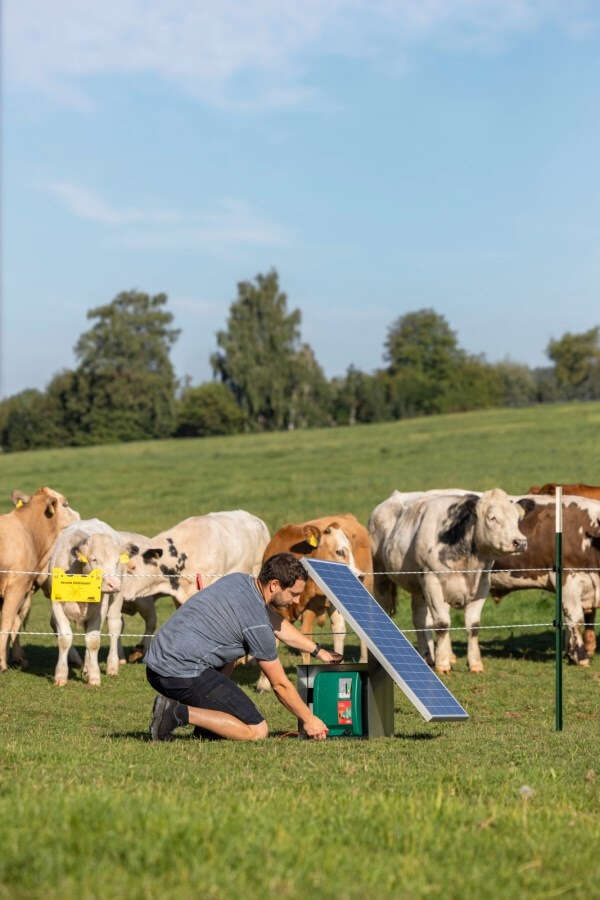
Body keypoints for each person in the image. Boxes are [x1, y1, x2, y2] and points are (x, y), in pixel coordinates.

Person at [146, 552, 342, 741]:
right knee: (256, 730)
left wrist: (318, 651)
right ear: (275, 585)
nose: (298, 600)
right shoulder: (256, 623)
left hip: (157, 663)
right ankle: (175, 712)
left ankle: (206, 728)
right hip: (179, 673)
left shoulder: (239, 581)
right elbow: (280, 685)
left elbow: (273, 621)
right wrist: (309, 720)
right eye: (294, 594)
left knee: (230, 660)